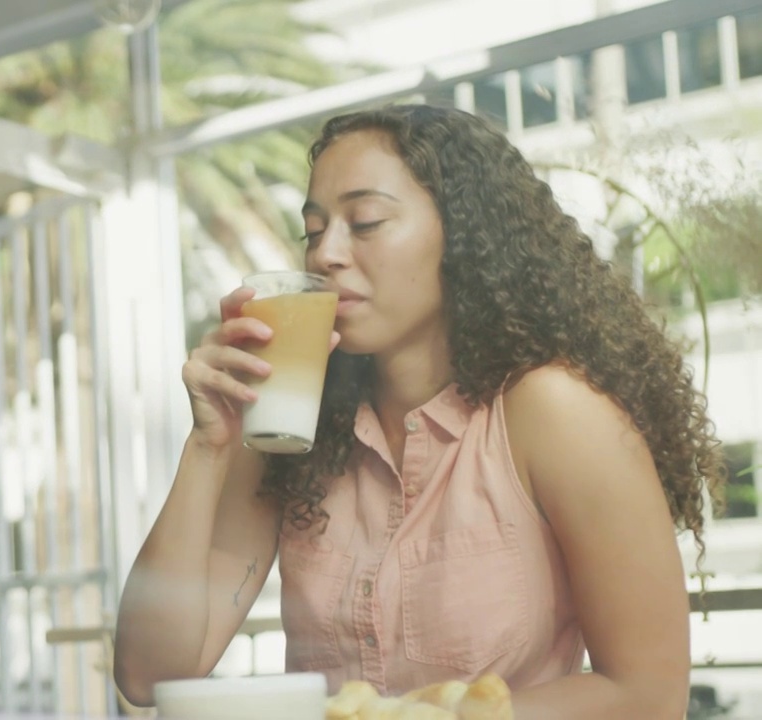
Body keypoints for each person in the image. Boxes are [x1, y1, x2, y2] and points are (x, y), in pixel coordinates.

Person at [113, 104, 723, 719]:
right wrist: (209, 445)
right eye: (314, 229)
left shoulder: (553, 412)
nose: (327, 253)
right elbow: (150, 673)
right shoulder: (296, 425)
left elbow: (647, 695)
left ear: (464, 234)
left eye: (367, 221)